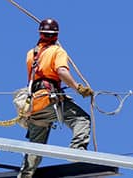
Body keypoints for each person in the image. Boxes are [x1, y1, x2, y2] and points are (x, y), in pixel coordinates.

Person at [17, 18, 94, 178]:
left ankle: (26, 174)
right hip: (49, 99)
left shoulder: (31, 54)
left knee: (36, 146)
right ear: (56, 35)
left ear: (40, 33)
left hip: (33, 104)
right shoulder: (57, 52)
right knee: (82, 119)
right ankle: (76, 152)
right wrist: (78, 88)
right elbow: (61, 72)